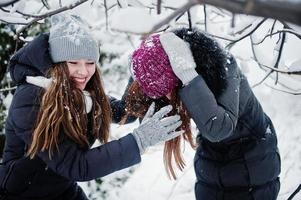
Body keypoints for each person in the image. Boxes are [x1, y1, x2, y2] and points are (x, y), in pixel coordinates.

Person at [0, 14, 183, 200]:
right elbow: (77, 165)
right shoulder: (31, 99)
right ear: (57, 64)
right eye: (73, 62)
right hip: (23, 195)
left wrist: (138, 71)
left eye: (90, 63)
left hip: (63, 190)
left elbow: (123, 112)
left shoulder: (83, 94)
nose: (83, 72)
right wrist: (139, 141)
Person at [124, 28, 281, 200]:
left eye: (168, 90)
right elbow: (128, 111)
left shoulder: (222, 66)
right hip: (210, 166)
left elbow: (218, 128)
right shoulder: (160, 67)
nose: (167, 97)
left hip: (252, 167)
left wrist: (188, 75)